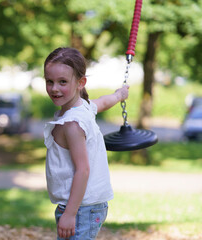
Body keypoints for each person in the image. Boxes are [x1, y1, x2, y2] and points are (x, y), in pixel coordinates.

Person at [43, 47, 129, 240]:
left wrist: (70, 214)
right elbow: (105, 101)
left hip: (81, 208)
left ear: (81, 83)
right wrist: (119, 95)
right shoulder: (84, 108)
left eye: (62, 82)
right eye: (50, 81)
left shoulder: (73, 124)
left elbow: (83, 170)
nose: (54, 88)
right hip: (82, 206)